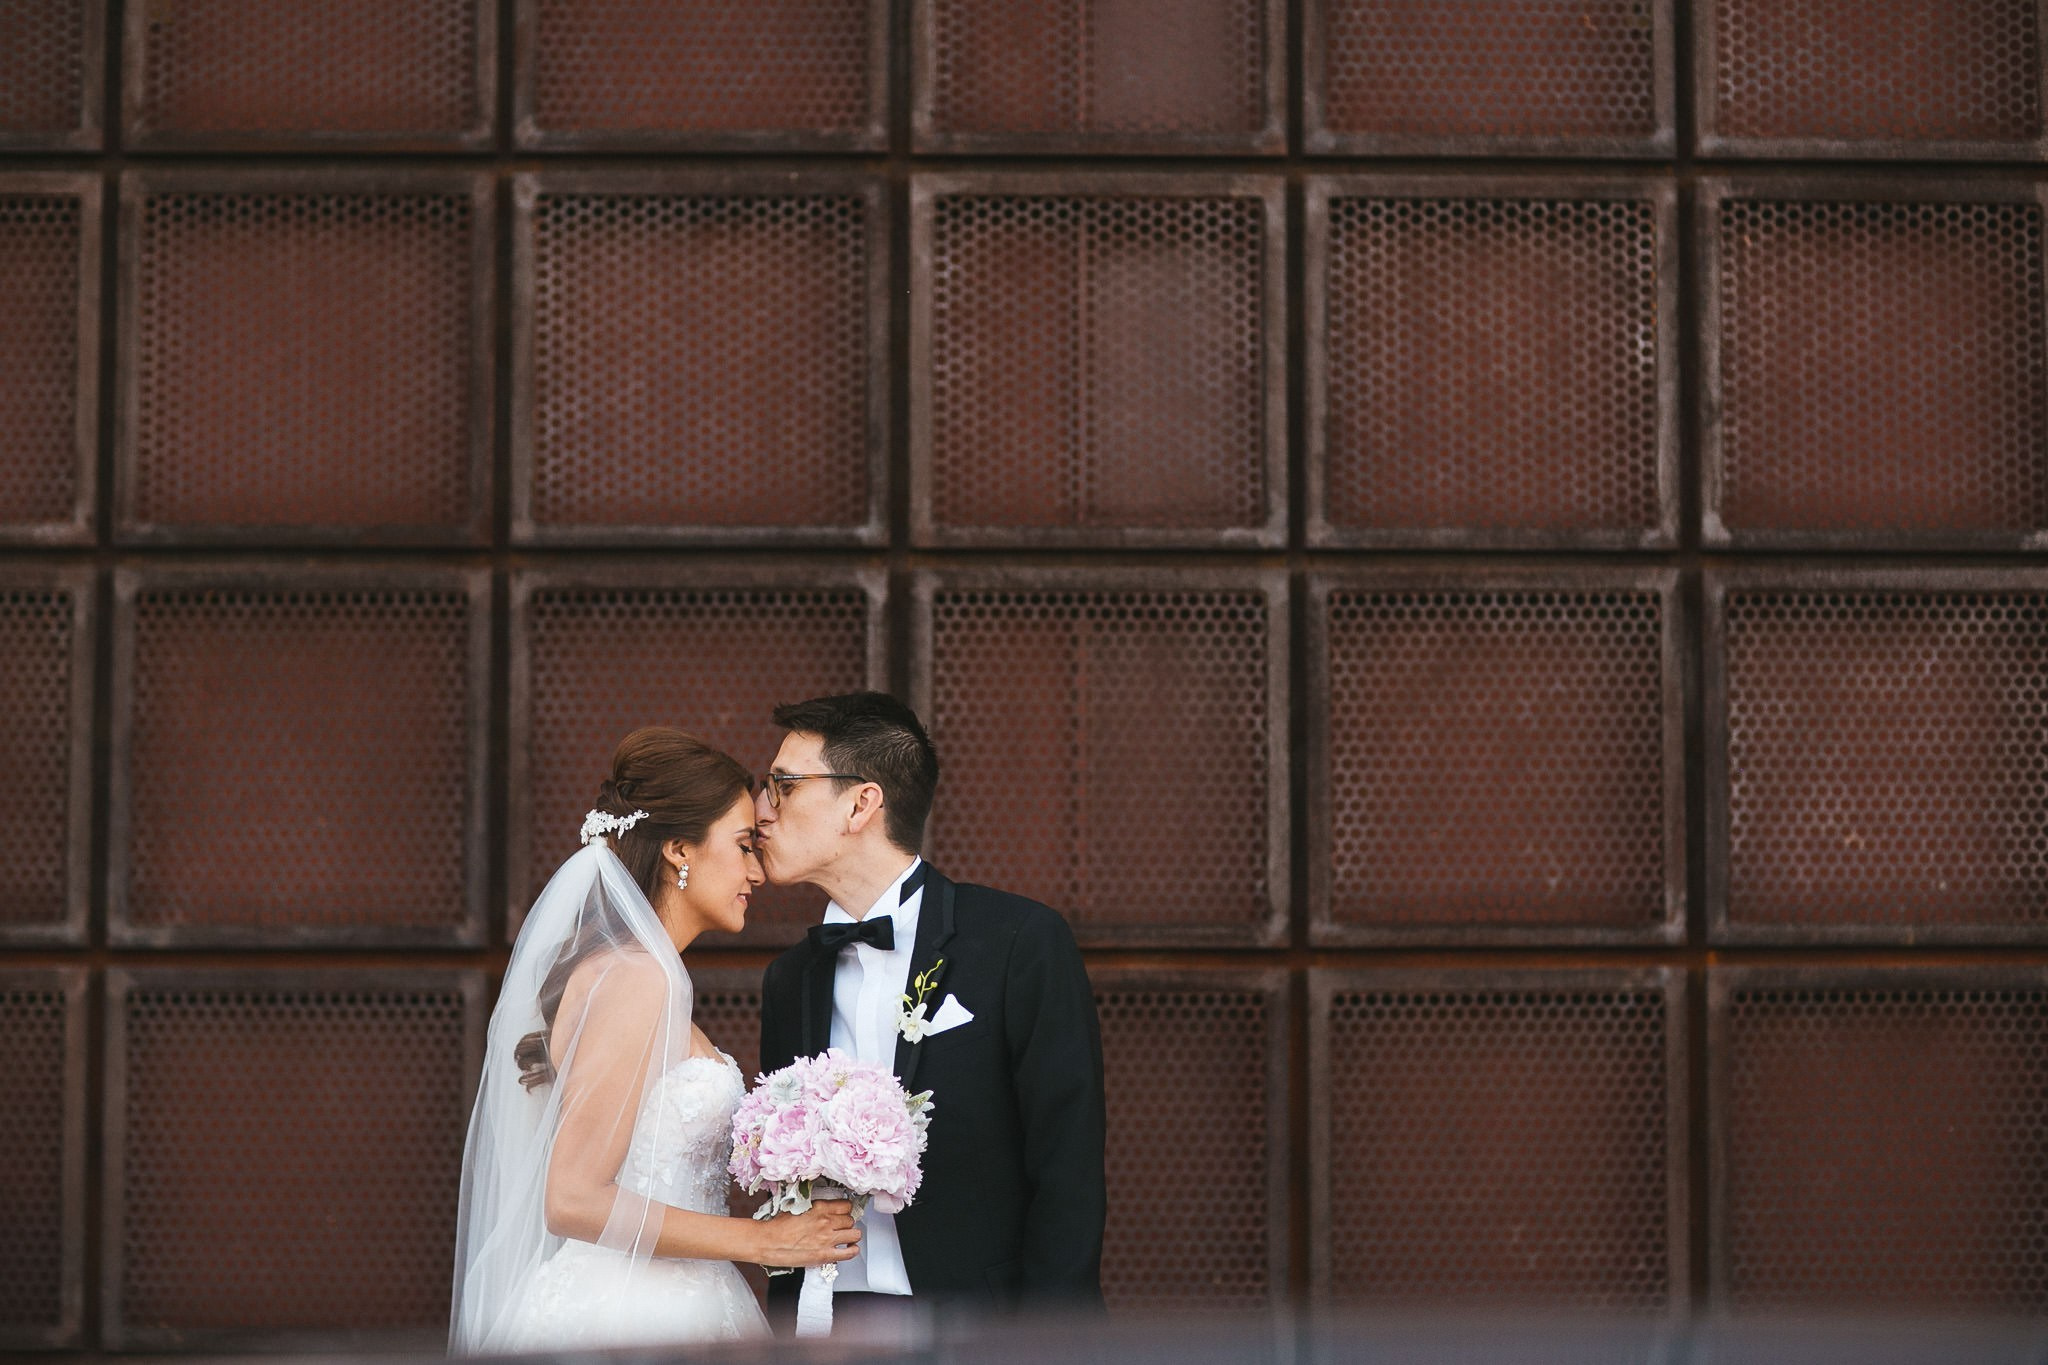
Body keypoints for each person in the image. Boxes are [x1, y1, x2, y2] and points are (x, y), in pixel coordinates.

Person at [450, 727, 860, 1353]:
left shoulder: (631, 969)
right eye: (743, 846)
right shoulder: (641, 978)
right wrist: (763, 1241)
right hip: (632, 1317)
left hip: (661, 1301)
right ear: (678, 849)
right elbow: (571, 1199)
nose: (757, 872)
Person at [754, 691, 1107, 1337]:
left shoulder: (1017, 942)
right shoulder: (790, 978)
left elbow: (1068, 1168)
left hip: (978, 1326)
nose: (761, 809)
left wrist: (1049, 1343)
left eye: (784, 785)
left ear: (861, 803)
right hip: (823, 1325)